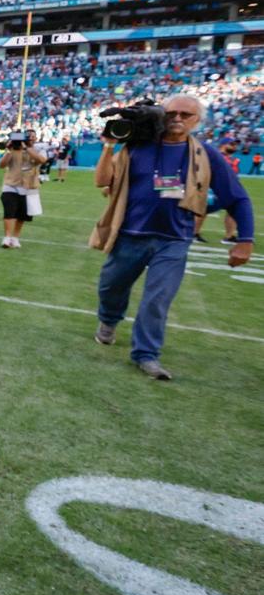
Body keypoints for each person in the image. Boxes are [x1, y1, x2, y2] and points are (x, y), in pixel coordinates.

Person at [90, 94, 254, 380]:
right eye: (172, 113)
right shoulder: (136, 147)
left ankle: (146, 354)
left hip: (174, 239)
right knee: (110, 287)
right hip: (130, 233)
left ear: (197, 121)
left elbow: (237, 198)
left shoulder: (205, 154)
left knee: (158, 299)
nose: (177, 119)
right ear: (160, 115)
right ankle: (109, 321)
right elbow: (103, 181)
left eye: (185, 115)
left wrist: (245, 239)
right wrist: (109, 146)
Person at [0, 130, 46, 248]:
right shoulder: (13, 149)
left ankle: (15, 237)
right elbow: (1, 165)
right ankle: (7, 237)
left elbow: (41, 160)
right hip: (11, 184)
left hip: (29, 186)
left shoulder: (39, 149)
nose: (31, 139)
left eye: (33, 137)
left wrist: (26, 148)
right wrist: (8, 150)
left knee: (22, 214)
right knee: (9, 211)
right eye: (28, 137)